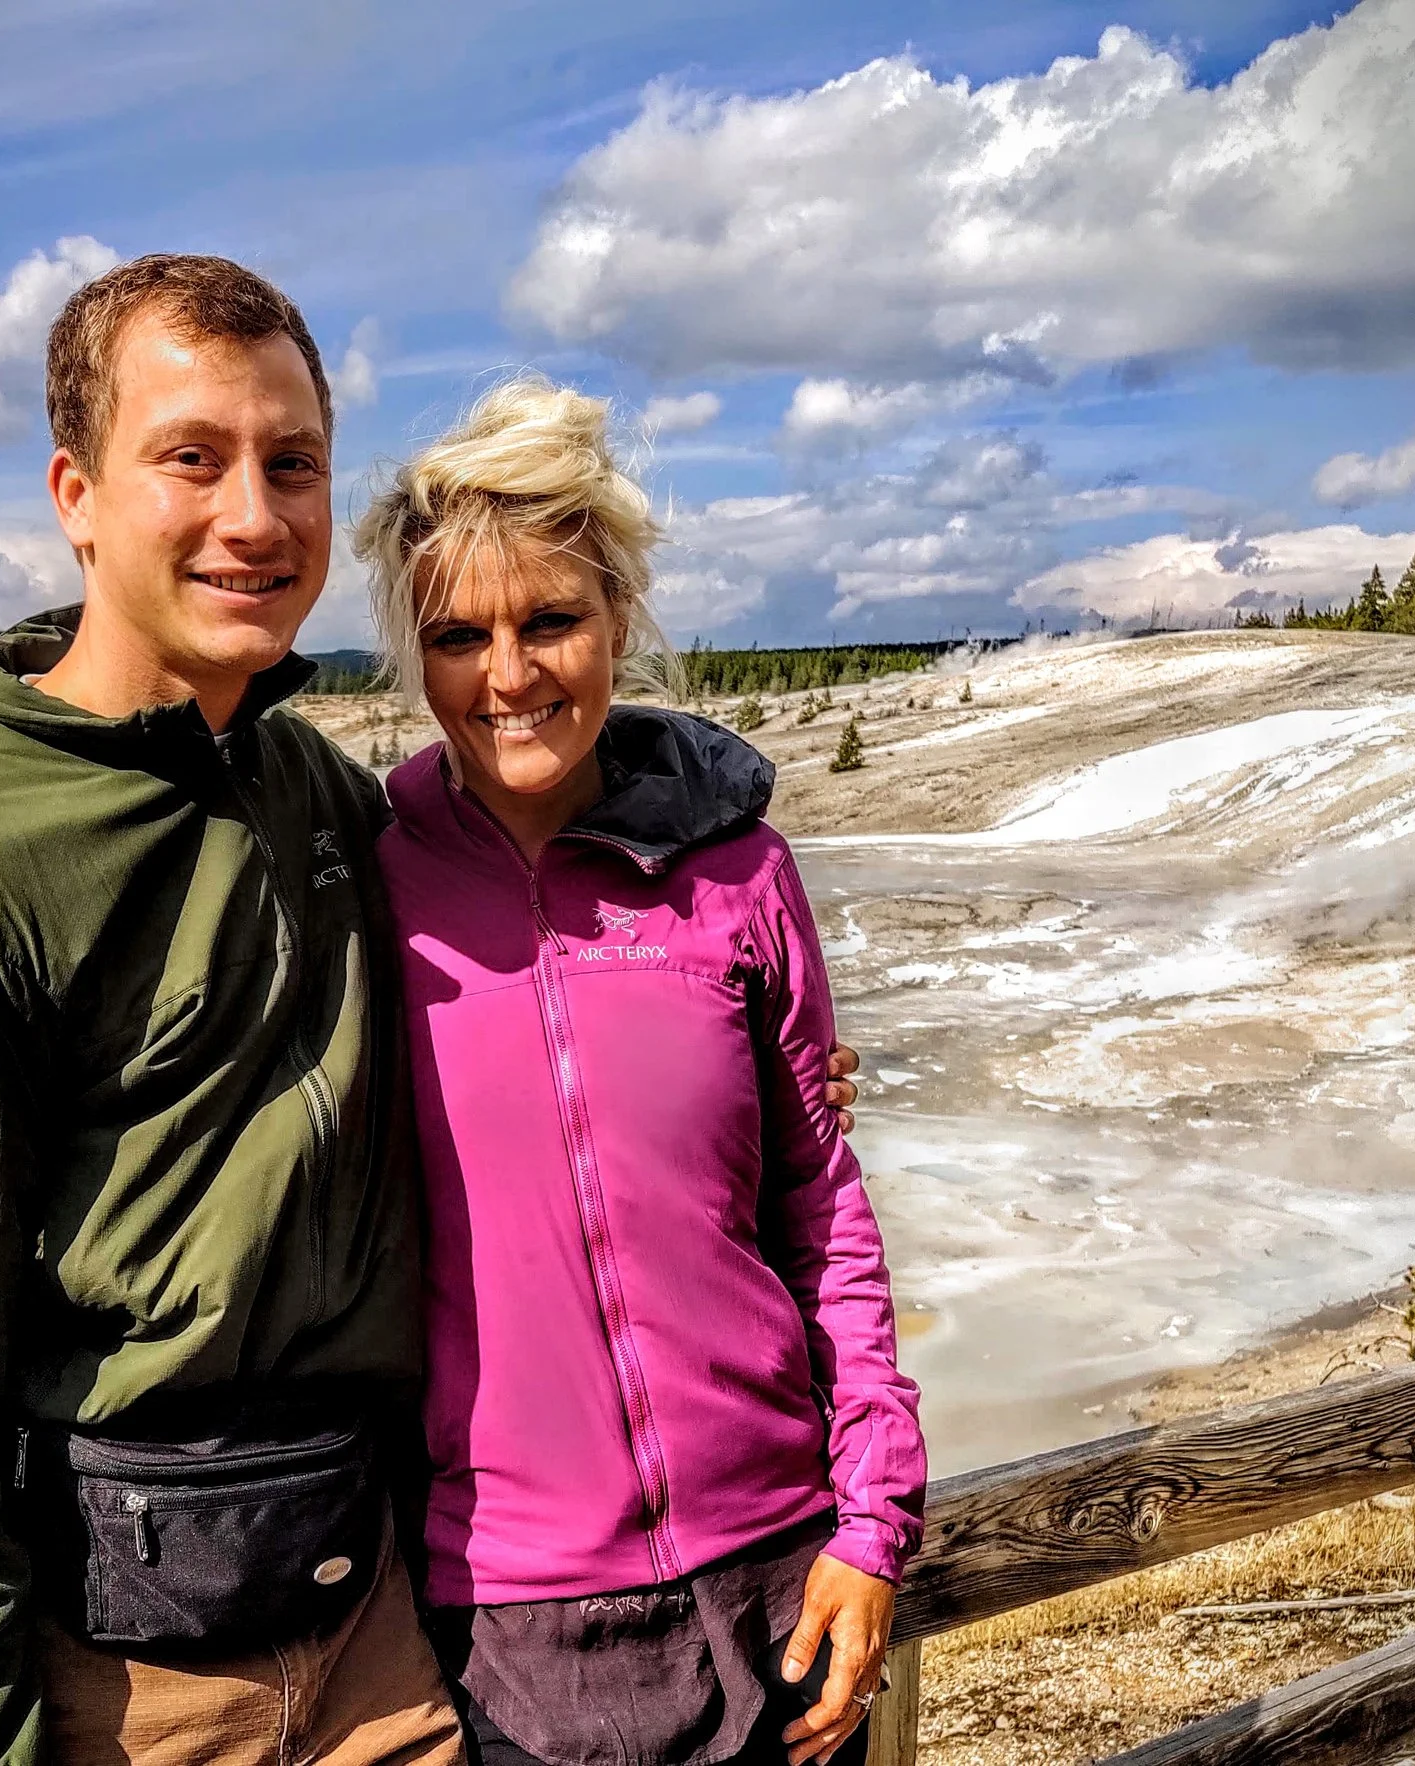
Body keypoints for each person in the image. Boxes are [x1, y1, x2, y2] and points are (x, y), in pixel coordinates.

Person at [0, 254, 873, 1766]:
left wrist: (740, 1014)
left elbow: (542, 847)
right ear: (77, 493)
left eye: (291, 465)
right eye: (191, 460)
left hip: (374, 1654)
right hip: (111, 1684)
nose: (254, 516)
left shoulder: (322, 806)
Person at [355, 379, 927, 1766]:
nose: (508, 676)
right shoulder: (367, 886)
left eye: (550, 618)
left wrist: (872, 1516)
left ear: (616, 614)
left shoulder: (736, 874)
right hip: (511, 1621)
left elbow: (820, 1206)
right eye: (458, 637)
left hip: (780, 1572)